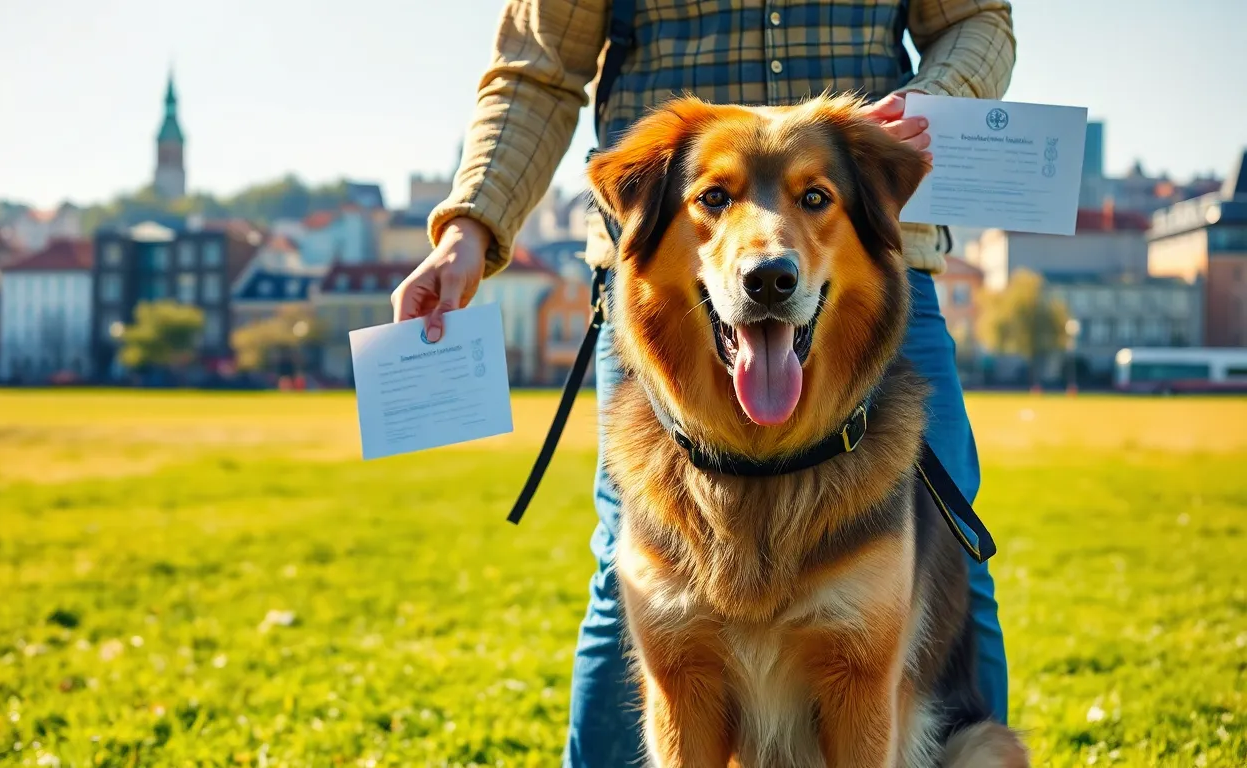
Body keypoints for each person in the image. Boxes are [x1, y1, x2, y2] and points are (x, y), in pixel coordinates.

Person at [392, 2, 1016, 765]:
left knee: (950, 555)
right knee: (627, 585)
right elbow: (538, 65)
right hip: (669, 271)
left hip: (865, 258)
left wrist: (933, 103)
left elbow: (976, 18)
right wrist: (470, 225)